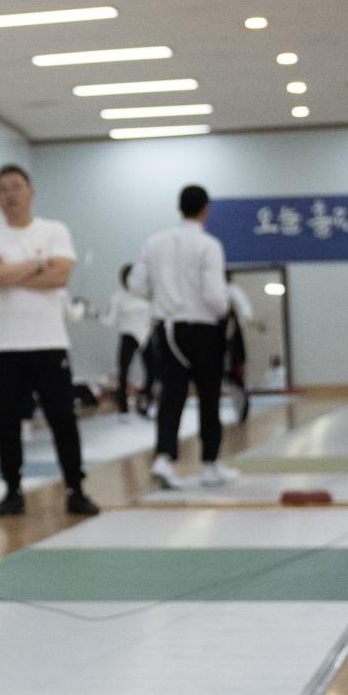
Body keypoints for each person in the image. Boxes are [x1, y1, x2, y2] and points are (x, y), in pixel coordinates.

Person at [0, 164, 97, 518]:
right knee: (7, 422)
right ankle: (12, 490)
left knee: (62, 418)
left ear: (30, 191)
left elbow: (60, 277)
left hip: (48, 342)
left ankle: (76, 488)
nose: (9, 194)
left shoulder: (54, 230)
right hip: (3, 345)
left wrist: (14, 271)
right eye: (2, 189)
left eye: (16, 186)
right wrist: (38, 266)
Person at [131, 185, 235, 489]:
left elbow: (137, 284)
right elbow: (215, 295)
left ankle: (163, 458)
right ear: (205, 209)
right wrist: (225, 310)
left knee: (172, 396)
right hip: (202, 328)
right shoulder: (209, 244)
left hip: (167, 329)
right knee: (209, 396)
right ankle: (209, 464)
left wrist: (162, 298)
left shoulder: (154, 242)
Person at [100, 264, 153, 416]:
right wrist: (95, 314)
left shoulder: (146, 295)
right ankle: (122, 406)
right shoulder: (117, 297)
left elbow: (154, 313)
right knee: (123, 371)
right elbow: (109, 320)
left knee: (153, 370)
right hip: (128, 335)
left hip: (146, 335)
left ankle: (144, 400)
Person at [222, 277, 261, 427]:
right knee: (230, 381)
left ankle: (242, 410)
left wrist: (249, 318)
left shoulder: (231, 291)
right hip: (222, 349)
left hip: (232, 352)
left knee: (235, 379)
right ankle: (239, 410)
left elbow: (245, 309)